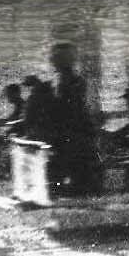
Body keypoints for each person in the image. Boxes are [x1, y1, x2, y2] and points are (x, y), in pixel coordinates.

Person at [49, 42, 101, 195]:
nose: (53, 61)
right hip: (74, 129)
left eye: (56, 58)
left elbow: (69, 108)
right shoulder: (70, 80)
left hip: (72, 130)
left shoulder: (69, 81)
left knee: (74, 165)